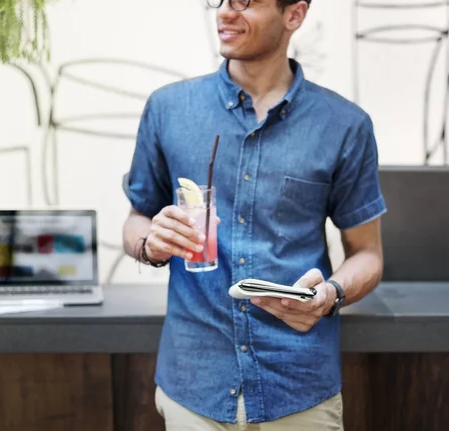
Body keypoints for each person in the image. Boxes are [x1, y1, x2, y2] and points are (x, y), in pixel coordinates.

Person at [122, 0, 386, 429]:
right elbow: (136, 219)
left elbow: (369, 255)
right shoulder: (168, 109)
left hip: (299, 386)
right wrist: (149, 243)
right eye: (220, 1)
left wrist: (331, 294)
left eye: (245, 1)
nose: (226, 13)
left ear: (294, 15)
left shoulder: (344, 125)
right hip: (194, 383)